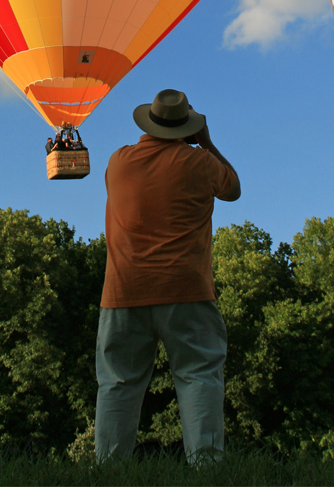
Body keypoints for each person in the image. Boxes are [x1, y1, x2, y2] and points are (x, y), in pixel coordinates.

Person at [95, 88, 240, 464]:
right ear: (187, 128)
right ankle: (206, 464)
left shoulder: (118, 161)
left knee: (118, 382)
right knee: (199, 376)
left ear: (150, 121)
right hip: (186, 290)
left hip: (124, 291)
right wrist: (206, 144)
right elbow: (234, 190)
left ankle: (108, 467)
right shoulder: (200, 163)